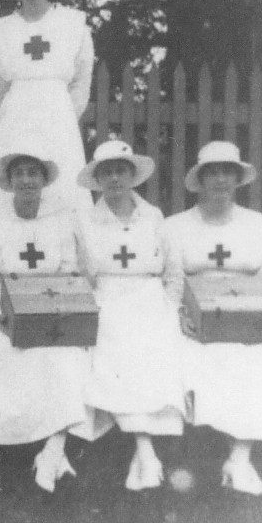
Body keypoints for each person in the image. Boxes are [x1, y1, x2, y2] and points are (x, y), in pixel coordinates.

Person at [162, 141, 262, 495]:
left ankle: (240, 454)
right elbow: (172, 282)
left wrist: (261, 312)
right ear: (200, 180)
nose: (220, 179)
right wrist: (178, 316)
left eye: (228, 172)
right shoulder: (176, 227)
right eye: (212, 172)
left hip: (249, 319)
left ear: (237, 180)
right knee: (202, 359)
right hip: (198, 324)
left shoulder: (256, 225)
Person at [0, 150, 111, 492]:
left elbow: (70, 273)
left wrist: (54, 312)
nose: (26, 180)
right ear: (9, 182)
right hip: (3, 311)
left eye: (33, 173)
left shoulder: (61, 221)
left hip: (52, 309)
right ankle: (37, 443)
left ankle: (52, 451)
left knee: (69, 357)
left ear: (43, 180)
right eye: (19, 174)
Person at [74, 140, 185, 491]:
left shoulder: (153, 217)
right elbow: (81, 275)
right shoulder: (86, 222)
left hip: (151, 299)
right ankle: (146, 450)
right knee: (114, 350)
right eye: (107, 172)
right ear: (98, 178)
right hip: (106, 299)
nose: (115, 178)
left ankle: (144, 451)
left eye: (121, 170)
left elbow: (173, 271)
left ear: (132, 175)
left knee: (156, 350)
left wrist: (170, 307)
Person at [0, 0, 93, 215]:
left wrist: (62, 115)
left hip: (59, 121)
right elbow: (0, 87)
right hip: (15, 121)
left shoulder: (73, 24)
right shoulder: (2, 29)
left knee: (64, 190)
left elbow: (81, 83)